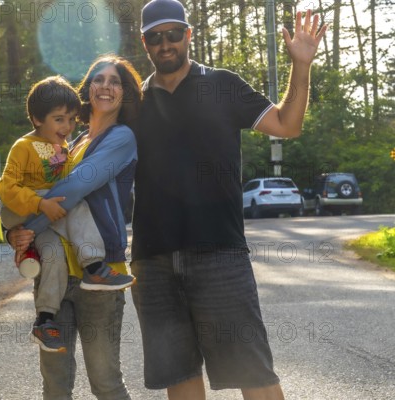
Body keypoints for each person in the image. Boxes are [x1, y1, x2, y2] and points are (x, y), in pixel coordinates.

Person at [130, 0, 328, 399]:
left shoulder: (222, 84)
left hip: (219, 254)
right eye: (155, 37)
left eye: (172, 34)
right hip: (153, 262)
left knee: (253, 372)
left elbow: (287, 125)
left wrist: (301, 66)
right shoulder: (132, 102)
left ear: (188, 35)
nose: (164, 44)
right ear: (145, 43)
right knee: (180, 376)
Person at [8, 55, 142, 400]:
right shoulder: (69, 140)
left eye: (115, 81)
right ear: (88, 88)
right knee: (55, 386)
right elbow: (19, 187)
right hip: (54, 272)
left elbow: (74, 188)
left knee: (106, 383)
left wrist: (31, 225)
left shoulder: (121, 138)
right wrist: (13, 233)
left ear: (125, 93)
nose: (106, 87)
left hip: (100, 274)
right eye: (99, 79)